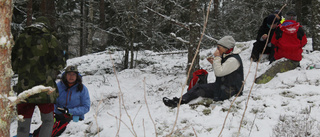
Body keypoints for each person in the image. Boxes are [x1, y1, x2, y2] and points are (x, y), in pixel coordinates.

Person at [12, 16, 66, 137]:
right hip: (45, 89)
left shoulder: (21, 38)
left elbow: (13, 64)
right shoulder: (50, 39)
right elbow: (59, 63)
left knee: (23, 124)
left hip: (24, 89)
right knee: (48, 121)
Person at [163, 36, 244, 108]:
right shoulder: (228, 55)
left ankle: (178, 102)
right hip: (225, 87)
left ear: (226, 47)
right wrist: (214, 62)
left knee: (199, 88)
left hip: (230, 91)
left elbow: (219, 73)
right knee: (199, 87)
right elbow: (223, 70)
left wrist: (217, 58)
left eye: (219, 47)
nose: (217, 49)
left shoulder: (233, 60)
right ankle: (179, 101)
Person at [255, 11, 307, 84]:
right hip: (295, 57)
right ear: (295, 19)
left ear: (285, 18)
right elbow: (304, 42)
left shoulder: (280, 28)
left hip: (280, 56)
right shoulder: (299, 29)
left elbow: (273, 42)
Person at [53, 65, 90, 135]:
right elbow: (52, 102)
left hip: (76, 119)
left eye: (73, 74)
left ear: (77, 76)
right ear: (65, 75)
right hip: (59, 117)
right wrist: (58, 110)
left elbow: (86, 107)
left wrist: (69, 111)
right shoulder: (58, 86)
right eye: (69, 74)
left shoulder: (82, 89)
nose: (71, 76)